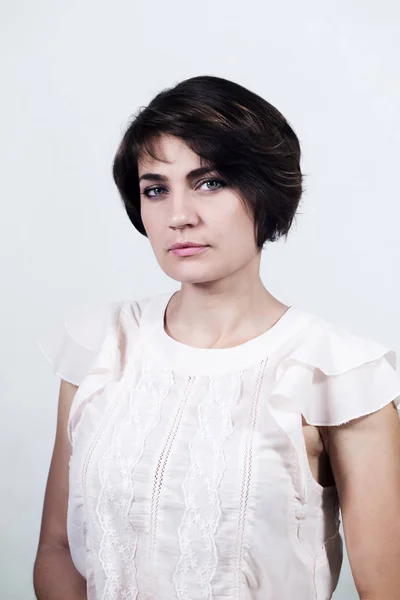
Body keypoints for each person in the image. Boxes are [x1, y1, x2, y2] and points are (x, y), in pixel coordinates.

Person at [34, 75, 400, 600]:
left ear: (266, 190)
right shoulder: (101, 346)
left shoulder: (338, 372)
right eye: (155, 189)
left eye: (210, 182)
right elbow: (59, 549)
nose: (179, 216)